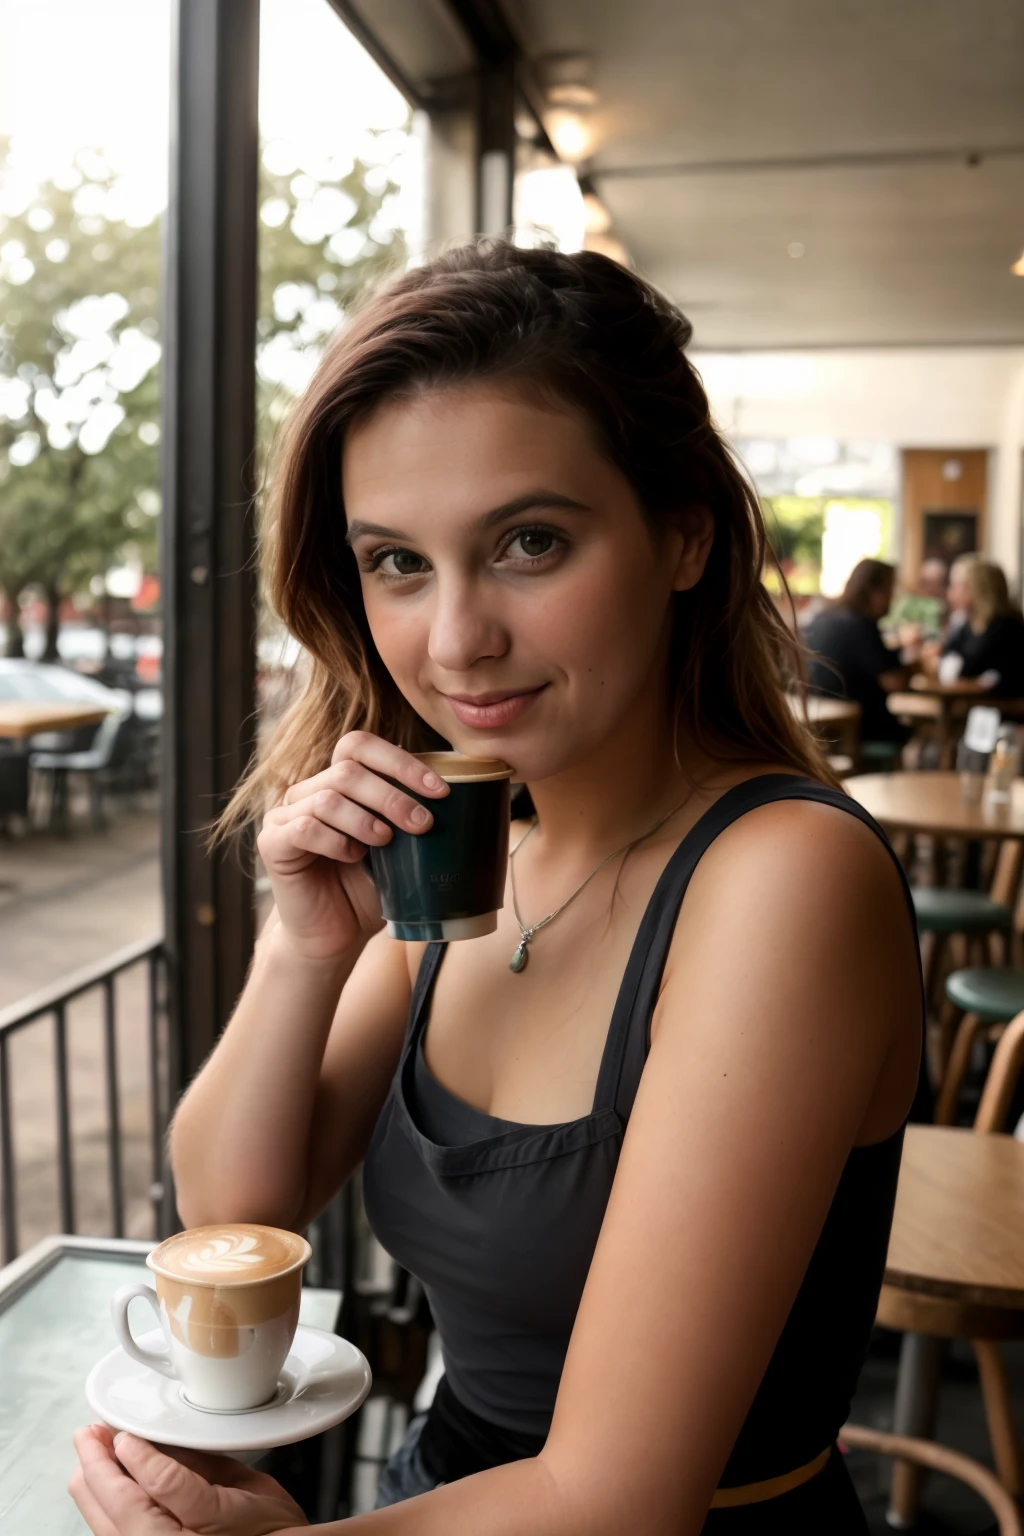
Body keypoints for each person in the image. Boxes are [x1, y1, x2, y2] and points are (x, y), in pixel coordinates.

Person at [70, 243, 922, 1535]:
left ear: (683, 536)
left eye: (529, 542)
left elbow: (622, 1496)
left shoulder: (783, 883)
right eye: (397, 562)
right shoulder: (477, 864)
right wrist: (302, 950)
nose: (456, 638)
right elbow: (235, 1216)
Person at [804, 559, 912, 748]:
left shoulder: (822, 618)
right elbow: (893, 682)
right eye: (889, 590)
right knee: (912, 729)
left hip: (819, 718)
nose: (892, 599)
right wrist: (915, 664)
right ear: (874, 591)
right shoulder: (861, 625)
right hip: (860, 725)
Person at [939, 556, 1024, 697]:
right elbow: (949, 658)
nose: (950, 592)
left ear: (978, 588)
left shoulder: (1007, 627)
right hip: (973, 706)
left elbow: (971, 670)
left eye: (956, 585)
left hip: (1004, 710)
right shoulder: (965, 624)